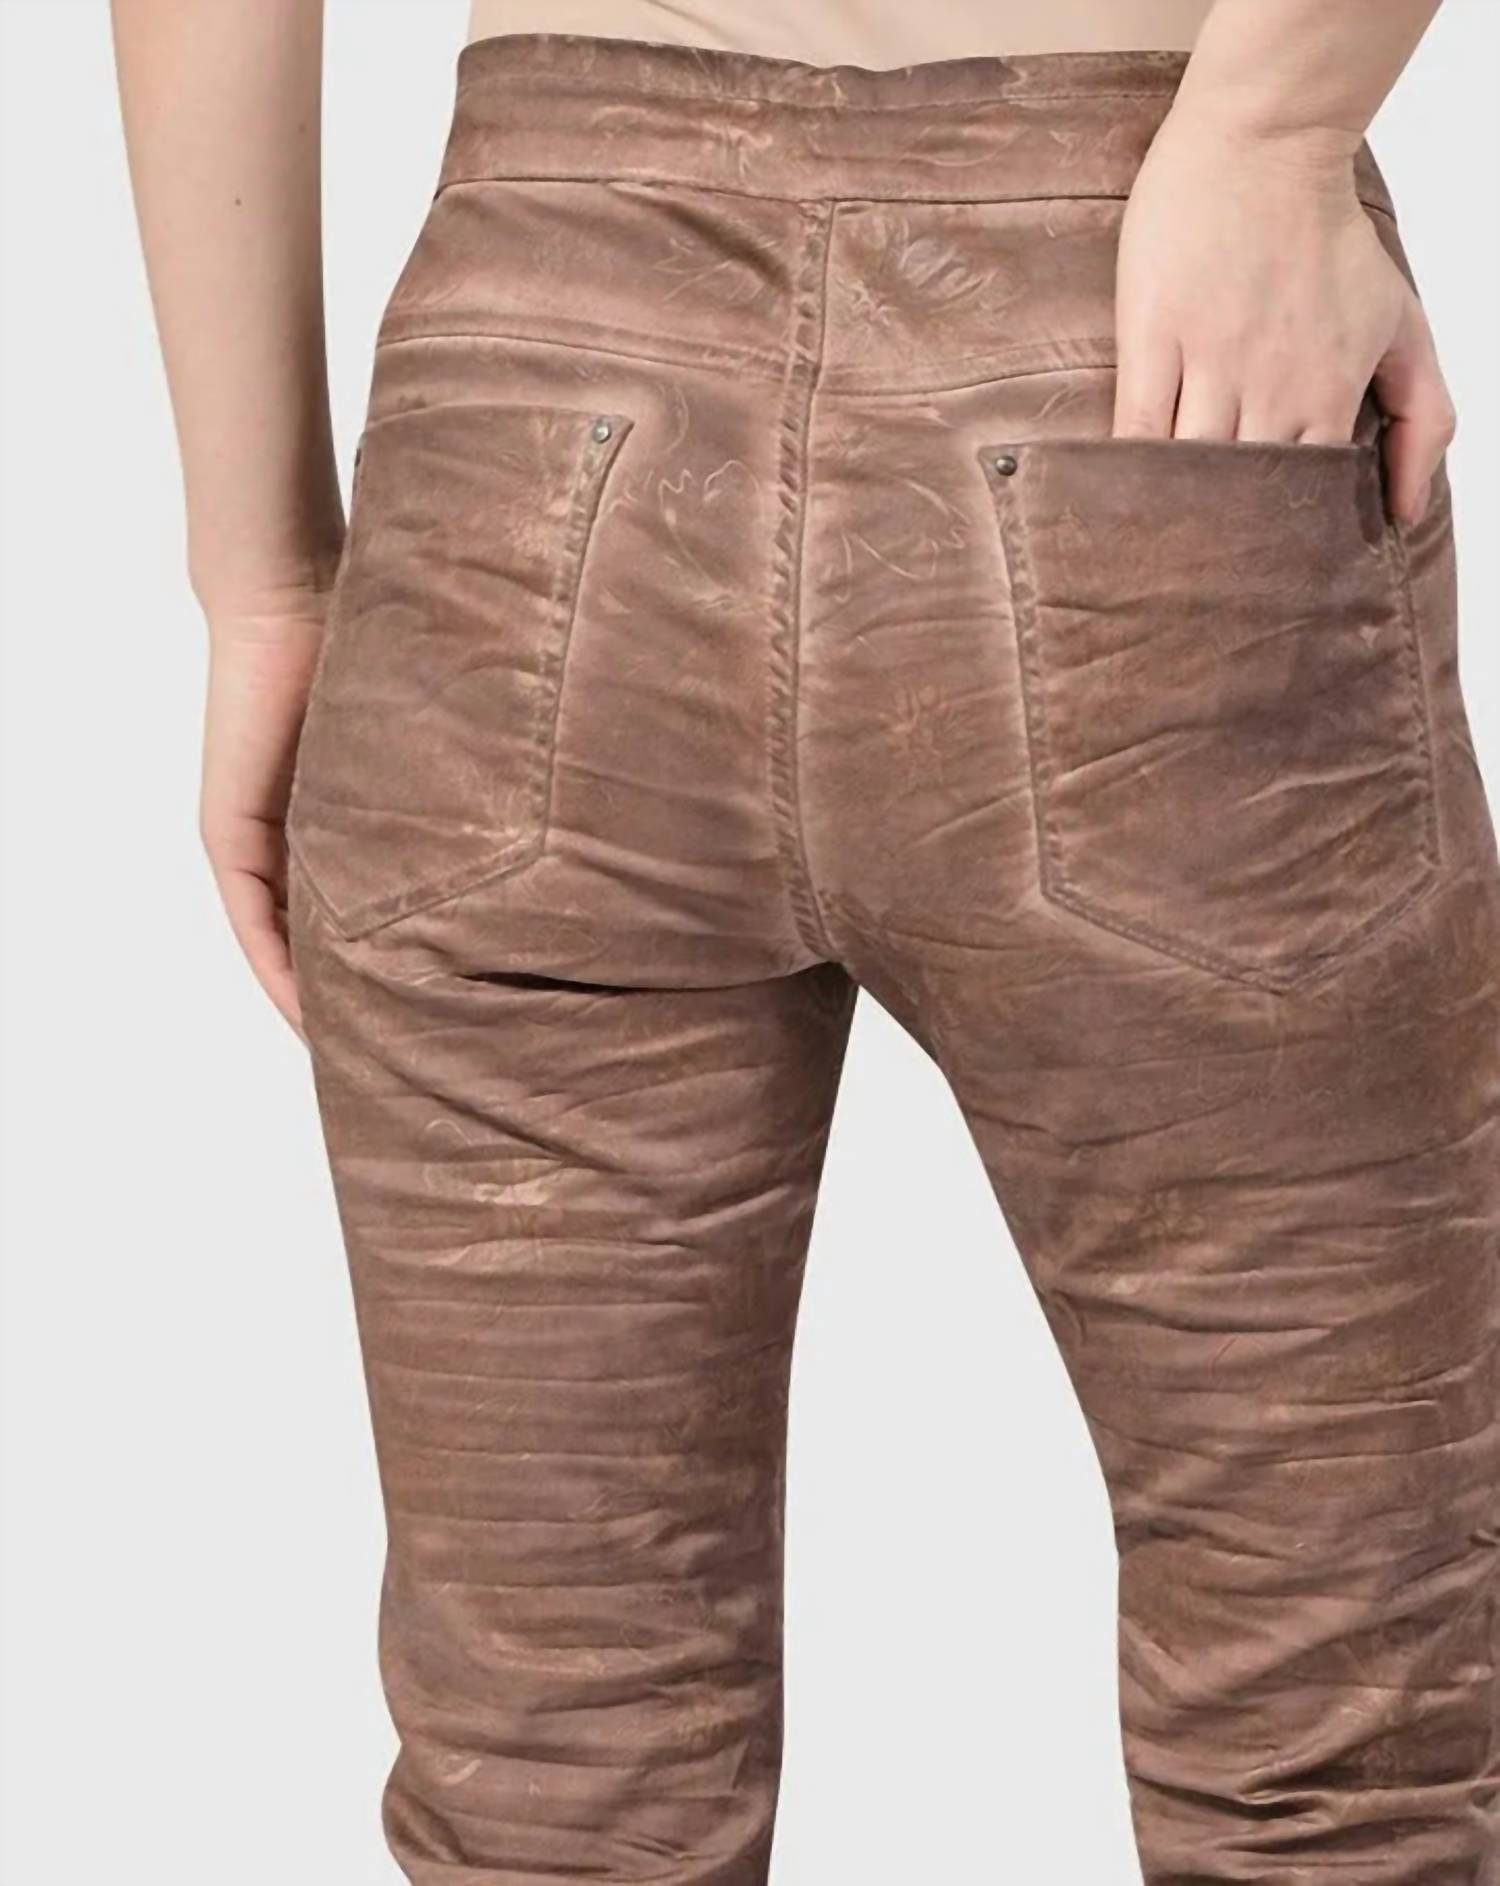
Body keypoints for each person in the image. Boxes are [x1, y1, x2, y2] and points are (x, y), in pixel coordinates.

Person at [114, 0, 1498, 1879]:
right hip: (1133, 354)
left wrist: (265, 574)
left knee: (556, 1789)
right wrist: (1271, 128)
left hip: (532, 412)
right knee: (1332, 1760)